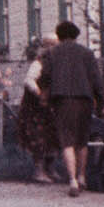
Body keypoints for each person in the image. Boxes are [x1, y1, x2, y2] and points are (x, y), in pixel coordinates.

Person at [40, 20, 104, 196]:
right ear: (76, 35)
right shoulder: (86, 53)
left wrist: (44, 96)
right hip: (85, 100)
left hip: (62, 100)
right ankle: (82, 177)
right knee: (82, 141)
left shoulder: (51, 53)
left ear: (59, 36)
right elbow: (96, 80)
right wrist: (103, 103)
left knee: (67, 141)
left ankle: (72, 181)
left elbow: (45, 77)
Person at [16, 38, 61, 182]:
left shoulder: (57, 64)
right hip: (35, 108)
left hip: (50, 107)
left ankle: (51, 169)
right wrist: (39, 92)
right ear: (47, 47)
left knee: (54, 137)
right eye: (54, 45)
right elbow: (29, 81)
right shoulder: (38, 63)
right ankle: (39, 171)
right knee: (39, 138)